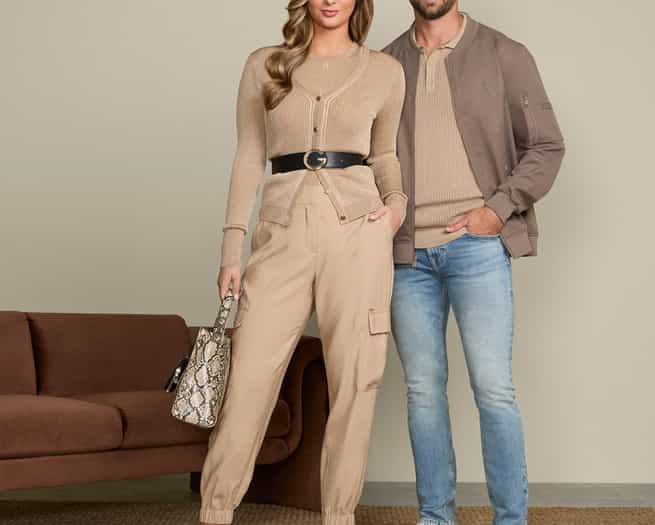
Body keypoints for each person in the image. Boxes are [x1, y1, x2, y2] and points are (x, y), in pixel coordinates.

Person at [198, 1, 407, 524]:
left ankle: (338, 516)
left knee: (356, 382)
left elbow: (384, 154)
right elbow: (249, 156)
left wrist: (396, 206)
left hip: (358, 236)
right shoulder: (265, 64)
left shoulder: (385, 71)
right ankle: (216, 511)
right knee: (247, 381)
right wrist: (231, 248)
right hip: (281, 236)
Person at [382, 2, 565, 525]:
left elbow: (547, 146)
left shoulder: (504, 54)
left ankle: (510, 520)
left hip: (477, 249)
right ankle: (435, 518)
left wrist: (497, 209)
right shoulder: (386, 64)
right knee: (422, 392)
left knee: (493, 389)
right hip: (406, 257)